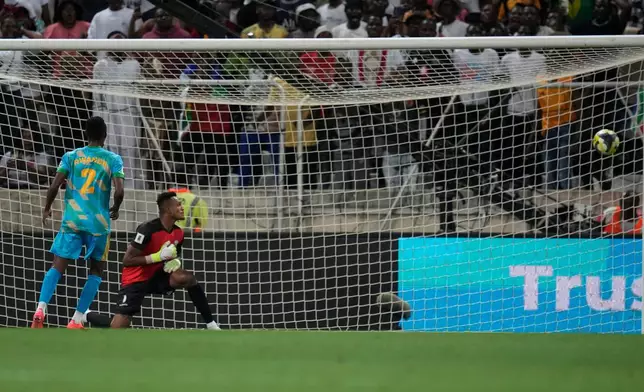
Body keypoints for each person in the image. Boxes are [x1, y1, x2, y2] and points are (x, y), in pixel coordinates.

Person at [32, 116, 125, 329]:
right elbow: (119, 191)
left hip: (72, 220)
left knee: (57, 265)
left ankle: (40, 308)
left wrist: (47, 208)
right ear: (105, 135)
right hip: (98, 224)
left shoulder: (71, 156)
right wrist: (116, 208)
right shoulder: (113, 159)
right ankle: (76, 319)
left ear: (86, 134)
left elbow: (55, 185)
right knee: (96, 270)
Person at [85, 192, 221, 330]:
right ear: (168, 210)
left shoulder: (179, 233)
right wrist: (158, 257)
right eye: (178, 205)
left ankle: (211, 325)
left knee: (187, 278)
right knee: (118, 326)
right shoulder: (147, 229)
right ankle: (86, 315)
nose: (182, 208)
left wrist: (175, 262)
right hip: (136, 279)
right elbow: (127, 260)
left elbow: (172, 256)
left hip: (157, 275)